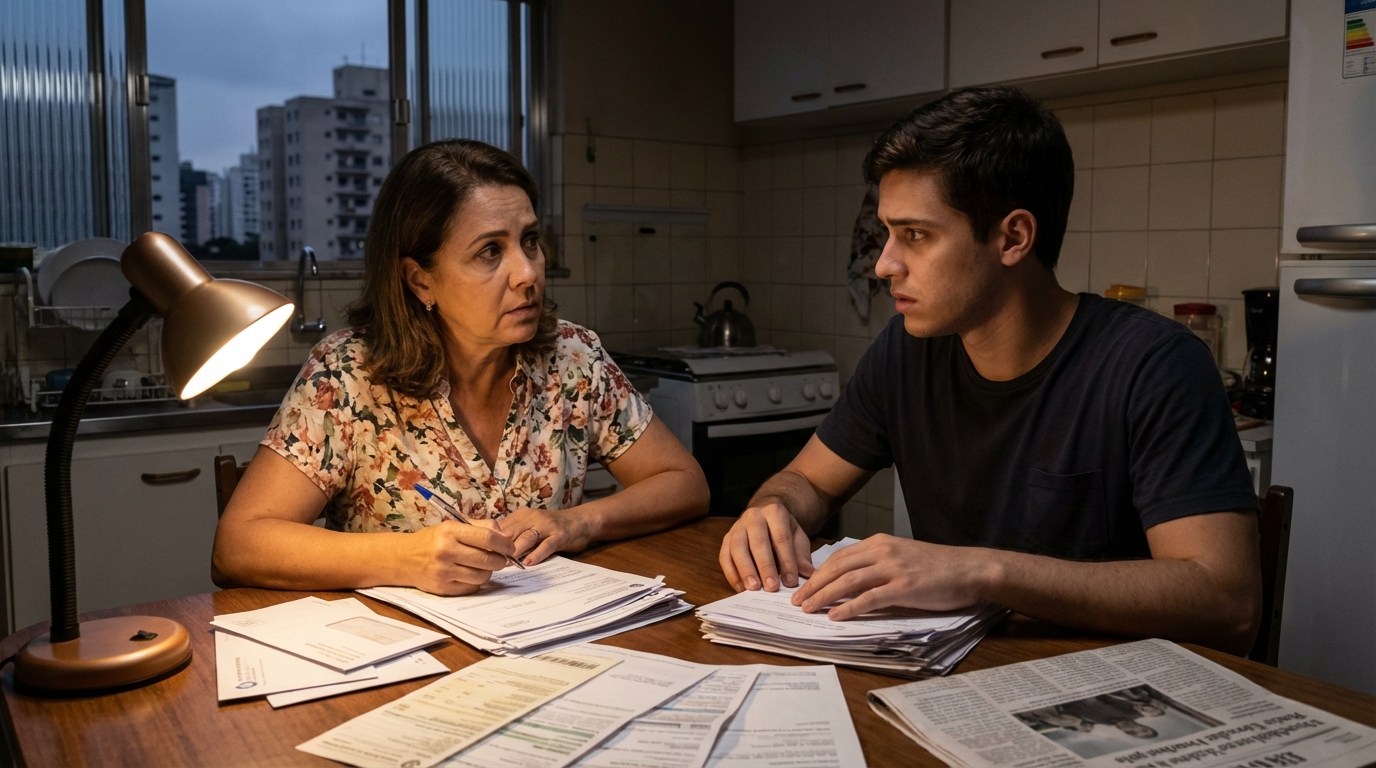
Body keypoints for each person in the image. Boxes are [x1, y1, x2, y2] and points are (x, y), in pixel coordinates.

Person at [717, 86, 1263, 655]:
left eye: (916, 235)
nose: (883, 264)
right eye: (887, 233)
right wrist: (769, 512)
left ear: (1013, 238)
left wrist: (981, 572)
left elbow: (1227, 602)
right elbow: (806, 481)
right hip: (954, 675)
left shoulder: (1155, 364)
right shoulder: (905, 353)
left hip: (1112, 694)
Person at [213, 139, 709, 595]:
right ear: (419, 280)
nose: (528, 272)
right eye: (490, 251)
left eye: (530, 240)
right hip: (406, 663)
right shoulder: (347, 375)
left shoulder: (572, 358)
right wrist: (406, 558)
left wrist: (579, 522)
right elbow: (238, 546)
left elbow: (684, 482)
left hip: (548, 647)